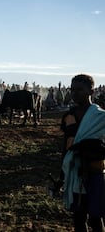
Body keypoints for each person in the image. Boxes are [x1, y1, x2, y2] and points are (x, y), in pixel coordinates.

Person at [61, 74, 105, 232]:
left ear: (91, 92)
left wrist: (90, 149)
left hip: (95, 173)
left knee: (96, 218)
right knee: (78, 217)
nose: (75, 93)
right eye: (72, 89)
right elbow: (66, 146)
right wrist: (62, 175)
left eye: (80, 89)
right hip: (74, 172)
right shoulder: (69, 117)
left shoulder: (101, 117)